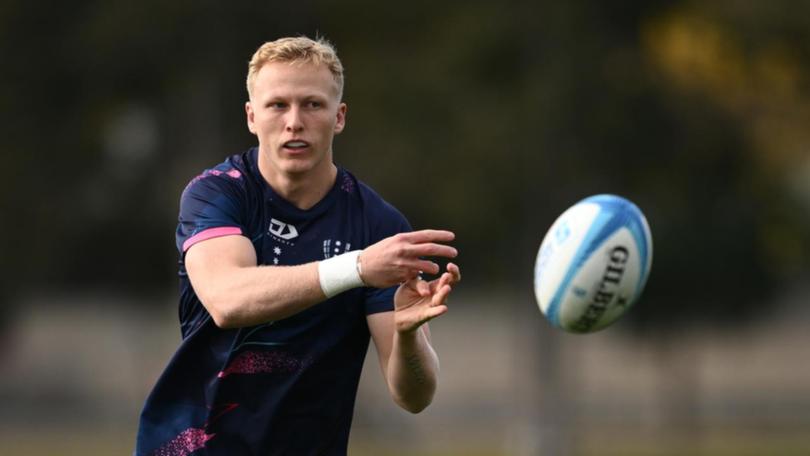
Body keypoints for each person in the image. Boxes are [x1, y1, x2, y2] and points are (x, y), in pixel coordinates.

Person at [135, 36, 461, 455]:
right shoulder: (217, 194)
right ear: (251, 116)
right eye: (277, 105)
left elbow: (413, 397)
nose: (294, 121)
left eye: (312, 104)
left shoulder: (377, 226)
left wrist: (410, 337)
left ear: (339, 116)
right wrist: (357, 268)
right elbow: (228, 300)